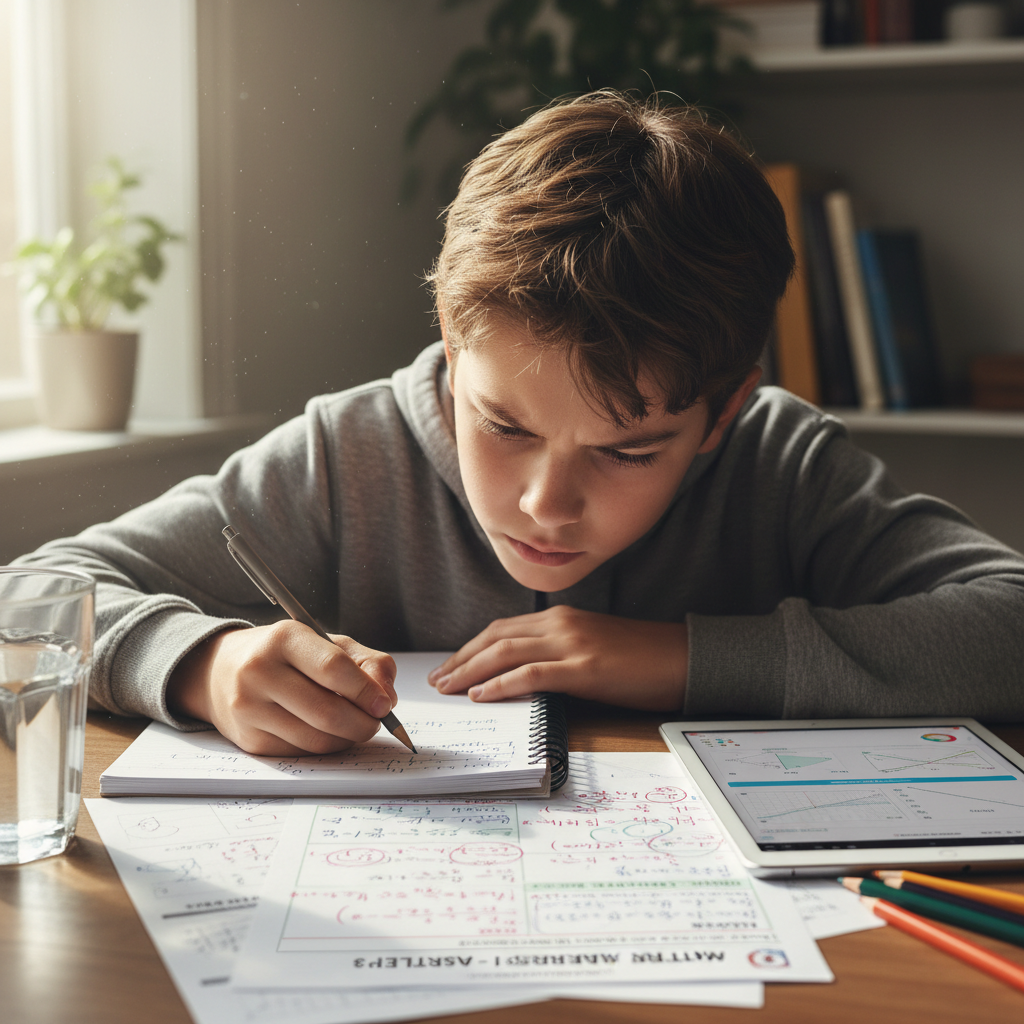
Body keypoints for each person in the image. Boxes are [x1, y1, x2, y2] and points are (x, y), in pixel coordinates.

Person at [15, 91, 1024, 756]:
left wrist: (678, 658)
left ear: (722, 414)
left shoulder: (781, 465)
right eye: (502, 425)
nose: (546, 503)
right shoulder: (346, 458)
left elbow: (1008, 623)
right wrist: (201, 663)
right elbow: (28, 598)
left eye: (627, 450)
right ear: (453, 354)